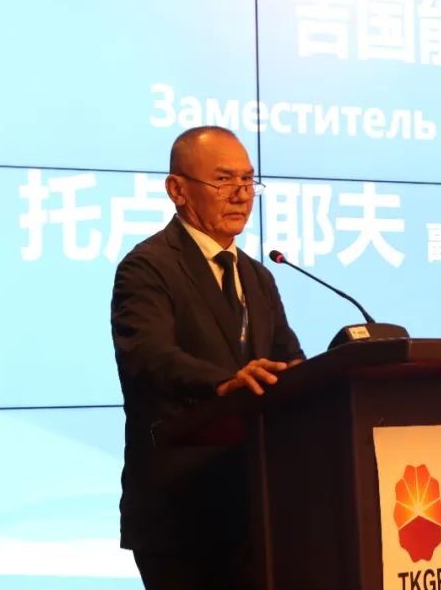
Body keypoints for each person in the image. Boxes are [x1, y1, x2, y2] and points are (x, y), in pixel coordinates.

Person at [111, 125, 304, 590]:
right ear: (177, 190)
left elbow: (288, 360)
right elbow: (150, 357)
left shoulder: (257, 276)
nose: (241, 194)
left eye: (248, 180)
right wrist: (224, 383)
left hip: (257, 509)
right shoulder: (148, 267)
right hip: (181, 513)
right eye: (223, 180)